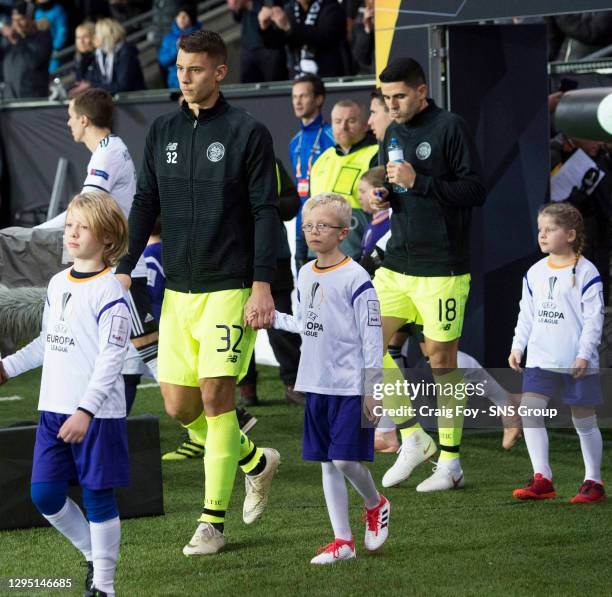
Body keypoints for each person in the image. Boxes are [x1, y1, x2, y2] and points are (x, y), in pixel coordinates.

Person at [115, 30, 281, 555]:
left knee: (215, 398)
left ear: (219, 72)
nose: (183, 77)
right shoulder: (162, 128)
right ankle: (256, 459)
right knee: (179, 406)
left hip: (230, 285)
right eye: (180, 68)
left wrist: (261, 283)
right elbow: (144, 203)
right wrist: (124, 268)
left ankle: (212, 522)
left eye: (195, 69)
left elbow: (264, 212)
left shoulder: (246, 132)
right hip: (179, 291)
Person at [0, 191, 131, 597]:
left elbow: (112, 358)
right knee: (45, 494)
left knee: (97, 498)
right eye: (69, 224)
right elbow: (48, 341)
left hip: (95, 416)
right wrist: (7, 367)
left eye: (82, 227)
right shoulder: (57, 283)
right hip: (52, 411)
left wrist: (85, 411)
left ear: (108, 238)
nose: (70, 233)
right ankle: (94, 557)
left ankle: (105, 587)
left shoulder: (112, 291)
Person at [369, 57, 486, 492]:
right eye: (387, 97)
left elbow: (475, 190)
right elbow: (398, 187)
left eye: (400, 96)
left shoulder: (449, 127)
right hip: (397, 263)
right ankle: (412, 436)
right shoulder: (393, 131)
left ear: (422, 91)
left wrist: (421, 183)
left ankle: (451, 463)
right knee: (366, 346)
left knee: (441, 360)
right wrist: (384, 196)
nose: (392, 105)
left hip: (442, 266)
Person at [270, 192, 390, 564]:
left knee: (343, 460)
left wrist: (373, 390)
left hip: (351, 386)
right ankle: (343, 542)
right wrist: (273, 318)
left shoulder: (357, 278)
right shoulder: (305, 273)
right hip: (315, 383)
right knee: (326, 461)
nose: (313, 231)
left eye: (322, 225)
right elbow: (309, 325)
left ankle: (376, 503)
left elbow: (373, 338)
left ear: (343, 231)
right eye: (308, 225)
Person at [39, 88, 158, 414]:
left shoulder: (108, 153)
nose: (67, 123)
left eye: (69, 116)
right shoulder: (108, 150)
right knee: (130, 360)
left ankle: (231, 427)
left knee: (154, 362)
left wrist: (35, 233)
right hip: (116, 270)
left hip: (123, 273)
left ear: (84, 119)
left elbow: (85, 212)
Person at [509, 202, 606, 503]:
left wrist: (584, 354)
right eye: (540, 230)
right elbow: (527, 313)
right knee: (531, 413)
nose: (543, 235)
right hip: (540, 359)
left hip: (575, 361)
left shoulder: (587, 271)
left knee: (583, 419)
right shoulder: (535, 271)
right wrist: (517, 346)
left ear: (571, 234)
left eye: (550, 229)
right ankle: (543, 479)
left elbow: (594, 318)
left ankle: (593, 481)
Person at [239, 158, 304, 406]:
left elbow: (292, 203)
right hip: (235, 258)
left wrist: (266, 205)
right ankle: (246, 388)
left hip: (274, 255)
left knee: (281, 323)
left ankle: (294, 383)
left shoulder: (272, 163)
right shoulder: (218, 161)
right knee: (238, 324)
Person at [310, 99, 378, 261]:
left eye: (351, 121)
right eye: (338, 121)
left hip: (359, 256)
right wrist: (302, 253)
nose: (343, 127)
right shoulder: (322, 160)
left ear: (365, 124)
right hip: (319, 257)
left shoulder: (376, 154)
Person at [289, 74, 335, 270]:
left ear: (318, 99)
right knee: (305, 289)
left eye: (304, 96)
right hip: (302, 221)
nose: (298, 102)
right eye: (294, 97)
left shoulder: (332, 136)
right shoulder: (294, 142)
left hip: (325, 223)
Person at [258, 0, 349, 77]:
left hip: (329, 74)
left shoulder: (332, 7)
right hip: (298, 75)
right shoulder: (289, 9)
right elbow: (276, 44)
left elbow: (326, 36)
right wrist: (265, 28)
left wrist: (289, 27)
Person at [72, 18, 145, 95]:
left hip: (135, 101)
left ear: (106, 35)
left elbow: (123, 86)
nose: (93, 37)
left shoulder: (125, 53)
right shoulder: (101, 54)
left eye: (96, 33)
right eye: (78, 37)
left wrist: (91, 86)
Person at [0, 1, 52, 100]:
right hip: (9, 97)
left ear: (31, 19)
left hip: (32, 99)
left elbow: (32, 62)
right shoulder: (9, 39)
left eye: (21, 19)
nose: (16, 24)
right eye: (14, 20)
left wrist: (16, 41)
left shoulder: (42, 36)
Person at [228, 0, 287, 83]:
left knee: (273, 84)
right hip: (247, 47)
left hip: (269, 47)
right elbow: (237, 18)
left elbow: (272, 12)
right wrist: (236, 7)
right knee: (248, 86)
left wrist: (250, 4)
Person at [158, 5, 201, 88]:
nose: (181, 19)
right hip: (176, 84)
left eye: (185, 16)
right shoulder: (169, 38)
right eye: (179, 16)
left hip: (196, 83)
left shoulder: (200, 35)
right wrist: (176, 49)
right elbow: (163, 60)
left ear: (191, 18)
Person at [34, 0, 67, 72]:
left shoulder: (58, 10)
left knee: (54, 71)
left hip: (54, 50)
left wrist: (56, 47)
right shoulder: (37, 12)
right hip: (41, 49)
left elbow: (62, 31)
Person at [72, 22, 96, 95]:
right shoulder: (78, 59)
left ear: (94, 37)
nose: (81, 41)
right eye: (78, 38)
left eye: (85, 37)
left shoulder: (99, 58)